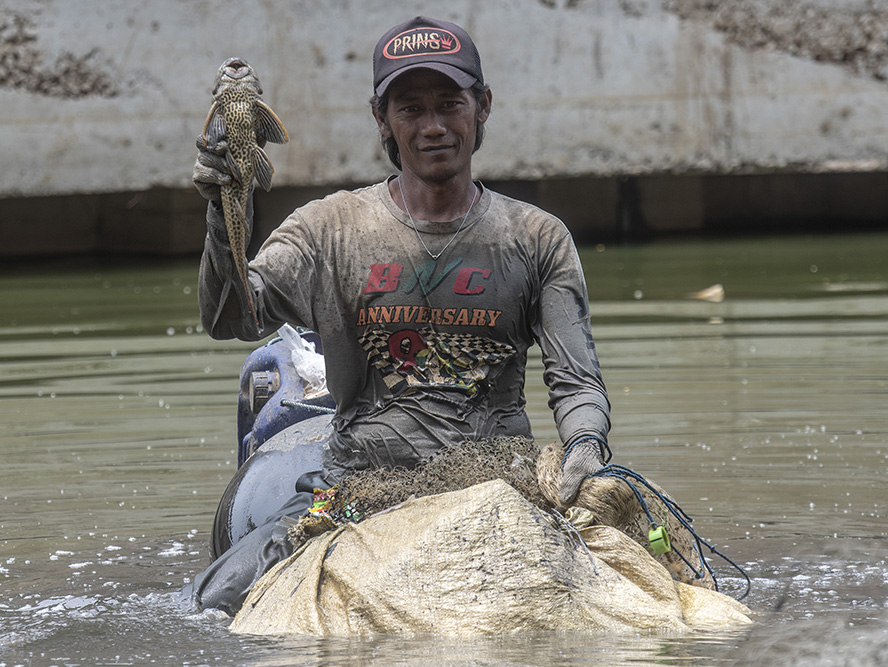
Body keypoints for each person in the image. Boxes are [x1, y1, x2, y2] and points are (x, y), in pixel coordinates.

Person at [186, 16, 611, 614]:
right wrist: (221, 208)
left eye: (449, 103)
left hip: (501, 486)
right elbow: (231, 318)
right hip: (355, 486)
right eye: (411, 109)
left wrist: (586, 444)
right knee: (213, 603)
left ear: (482, 106)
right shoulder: (329, 229)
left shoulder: (536, 238)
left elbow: (577, 383)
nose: (433, 126)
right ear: (382, 119)